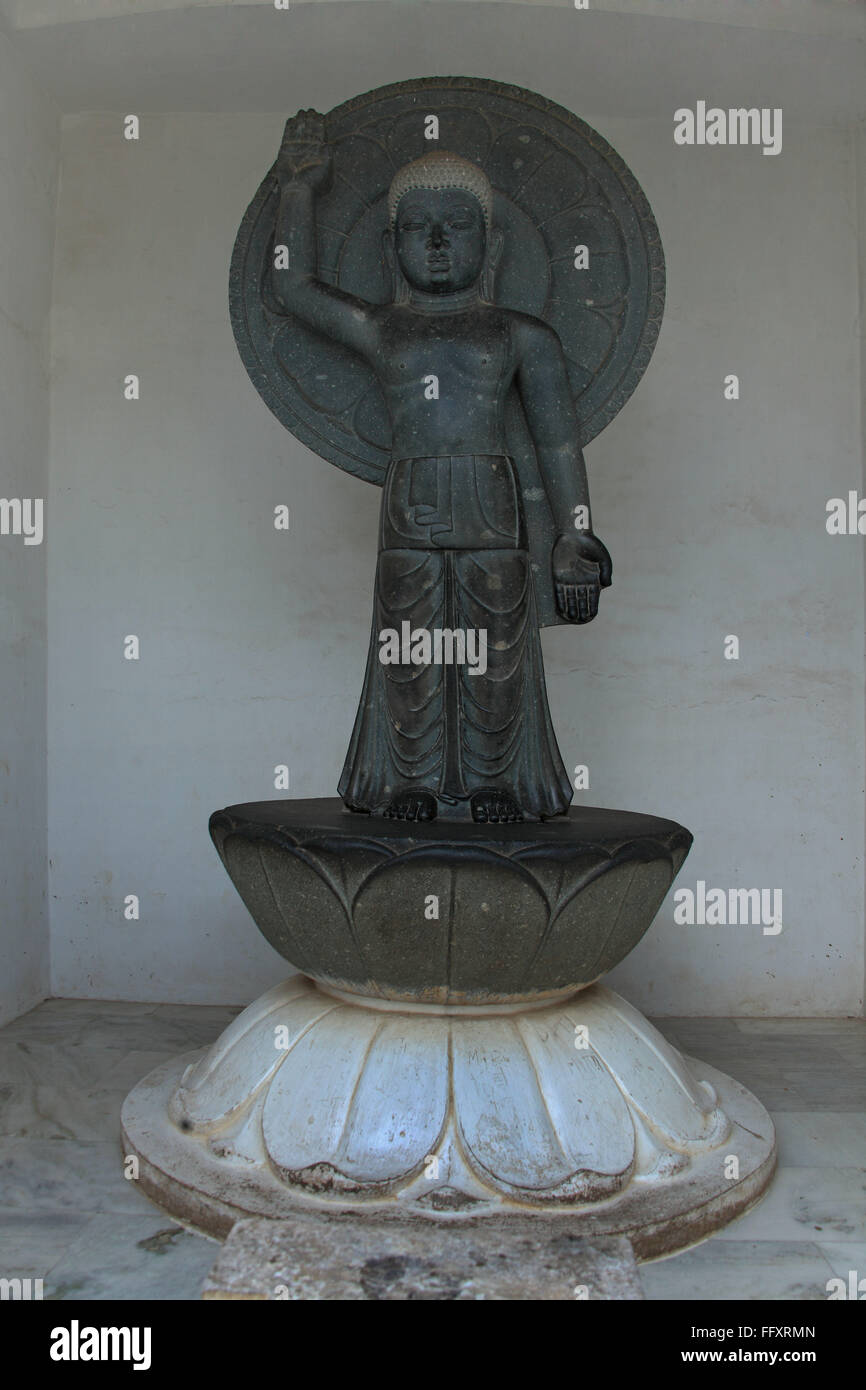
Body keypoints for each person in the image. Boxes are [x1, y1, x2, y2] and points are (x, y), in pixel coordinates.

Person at [271, 111, 611, 822]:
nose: (434, 243)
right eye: (418, 227)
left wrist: (573, 536)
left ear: (491, 242)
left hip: (492, 501)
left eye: (454, 226)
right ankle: (411, 781)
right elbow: (292, 288)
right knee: (411, 640)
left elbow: (555, 445)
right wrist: (299, 191)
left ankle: (496, 780)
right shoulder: (383, 327)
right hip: (411, 501)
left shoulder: (521, 335)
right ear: (390, 243)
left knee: (495, 643)